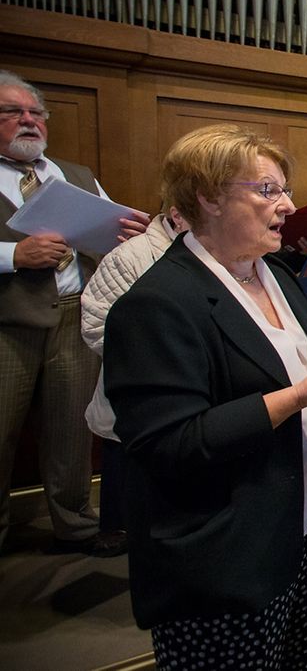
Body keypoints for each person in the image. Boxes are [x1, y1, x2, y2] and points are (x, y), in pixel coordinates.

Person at [104, 124, 307, 667]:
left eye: (284, 189)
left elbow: (285, 368)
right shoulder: (157, 303)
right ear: (207, 197)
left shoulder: (275, 273)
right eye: (267, 190)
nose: (288, 206)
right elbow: (170, 443)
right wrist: (297, 397)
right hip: (226, 544)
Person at [0, 70, 149, 557]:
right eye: (12, 113)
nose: (28, 121)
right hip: (8, 322)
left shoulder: (74, 175)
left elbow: (108, 228)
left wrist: (127, 232)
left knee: (70, 426)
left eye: (36, 113)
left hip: (73, 314)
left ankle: (75, 522)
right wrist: (13, 255)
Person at [79, 207, 188, 558]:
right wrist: (166, 355)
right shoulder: (130, 256)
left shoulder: (226, 254)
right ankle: (116, 527)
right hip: (140, 388)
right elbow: (96, 326)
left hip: (190, 398)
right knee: (127, 470)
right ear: (178, 214)